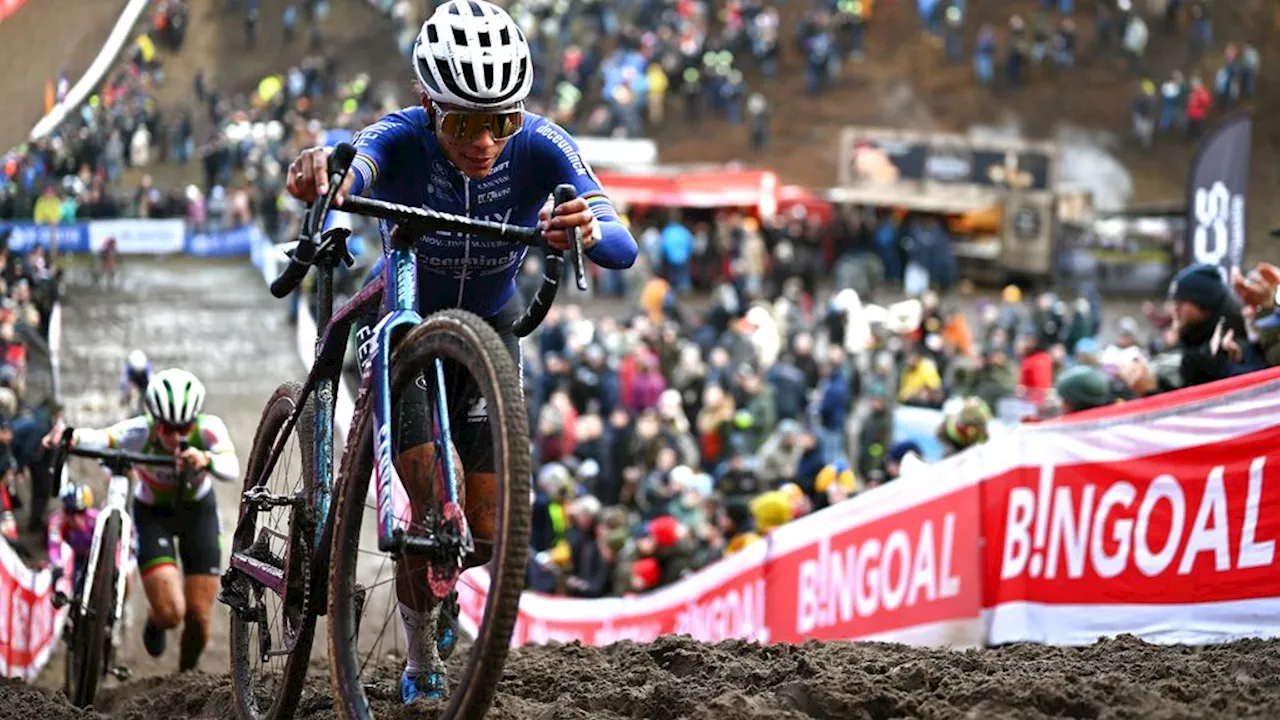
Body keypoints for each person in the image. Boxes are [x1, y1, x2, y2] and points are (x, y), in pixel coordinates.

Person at [285, 0, 637, 704]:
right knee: (424, 507)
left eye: (500, 122)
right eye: (464, 123)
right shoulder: (404, 133)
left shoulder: (542, 144)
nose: (484, 141)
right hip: (406, 322)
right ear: (427, 104)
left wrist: (586, 227)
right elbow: (356, 164)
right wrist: (327, 180)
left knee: (479, 533)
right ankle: (418, 661)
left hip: (490, 325)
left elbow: (620, 240)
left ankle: (439, 605)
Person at [45, 368, 238, 672]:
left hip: (197, 513)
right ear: (154, 421)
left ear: (195, 420)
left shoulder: (210, 428)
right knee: (172, 612)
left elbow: (232, 465)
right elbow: (102, 438)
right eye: (166, 428)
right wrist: (67, 436)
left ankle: (185, 678)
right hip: (153, 515)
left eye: (183, 428)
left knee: (199, 618)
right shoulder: (139, 432)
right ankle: (156, 620)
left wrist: (207, 459)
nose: (175, 438)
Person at [48, 483, 100, 599]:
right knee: (77, 588)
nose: (76, 519)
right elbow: (54, 546)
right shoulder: (57, 522)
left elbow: (115, 544)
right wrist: (57, 563)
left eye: (80, 512)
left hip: (99, 554)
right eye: (71, 512)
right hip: (79, 556)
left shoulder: (96, 519)